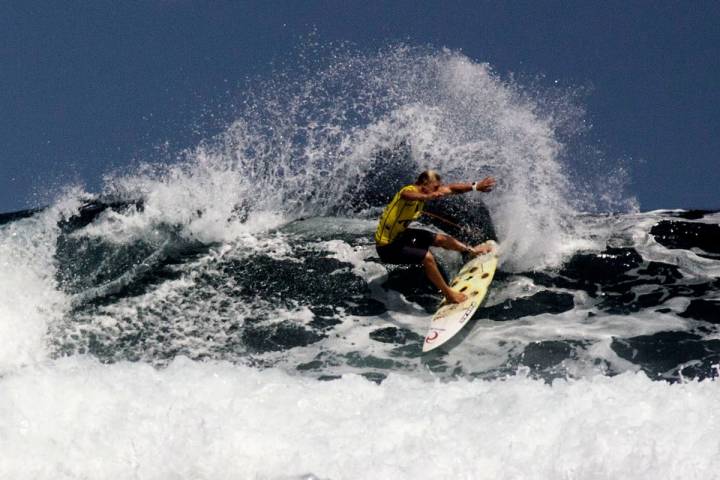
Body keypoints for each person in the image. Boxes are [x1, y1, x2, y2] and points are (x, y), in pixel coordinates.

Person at [374, 170, 496, 304]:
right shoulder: (409, 191)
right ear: (425, 184)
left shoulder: (429, 191)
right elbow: (407, 195)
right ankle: (449, 295)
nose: (439, 190)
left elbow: (451, 188)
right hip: (387, 246)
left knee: (441, 239)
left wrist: (475, 186)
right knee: (427, 258)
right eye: (436, 187)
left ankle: (472, 251)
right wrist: (428, 196)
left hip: (401, 235)